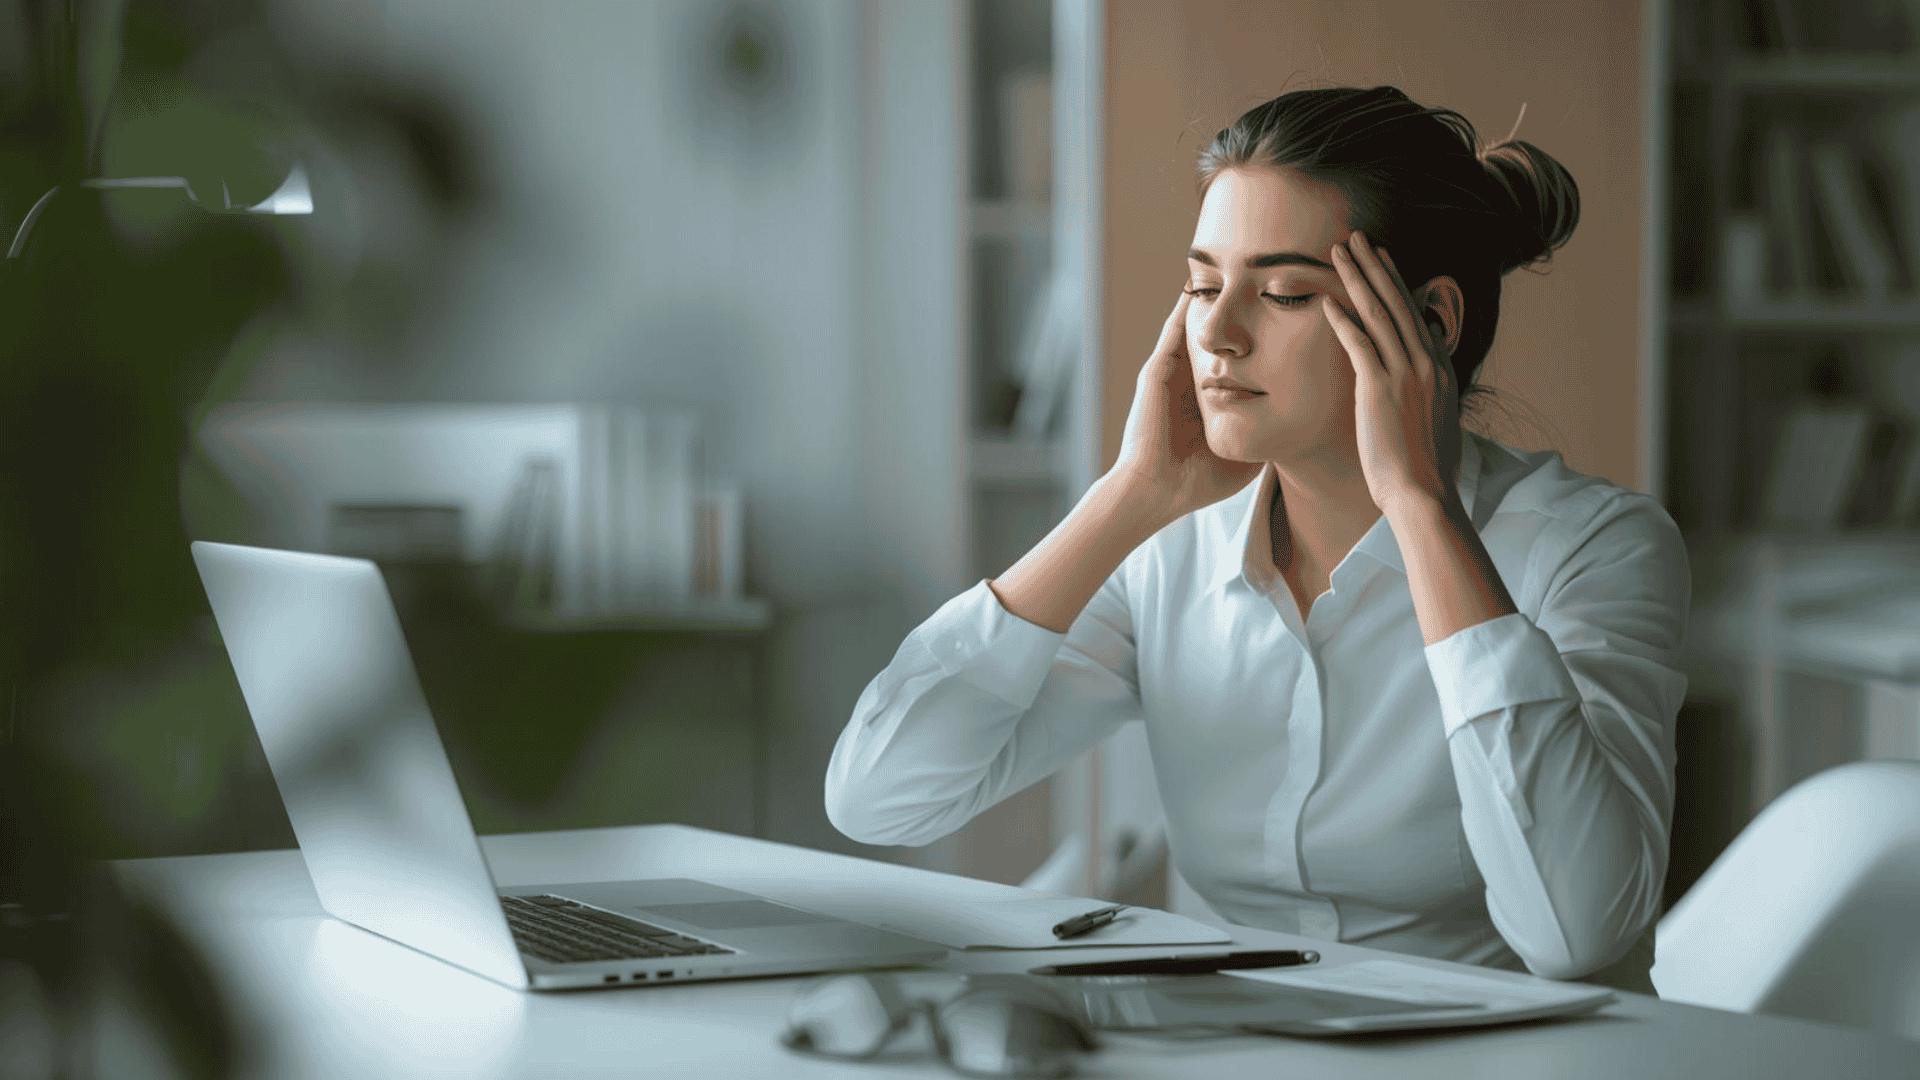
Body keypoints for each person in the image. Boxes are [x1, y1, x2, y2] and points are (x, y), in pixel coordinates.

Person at [824, 85, 1688, 994]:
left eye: (1280, 293)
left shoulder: (1594, 545)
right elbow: (880, 798)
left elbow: (1579, 935)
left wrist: (1423, 508)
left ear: (1430, 321)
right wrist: (1127, 496)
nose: (1219, 335)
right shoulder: (1169, 550)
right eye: (1202, 285)